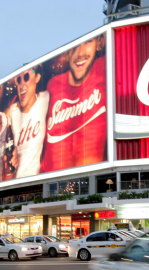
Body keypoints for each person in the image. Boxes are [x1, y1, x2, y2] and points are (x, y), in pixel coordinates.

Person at [41, 35, 107, 173]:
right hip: (52, 177)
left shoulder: (104, 67)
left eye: (88, 42)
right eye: (75, 47)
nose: (80, 53)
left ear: (99, 44)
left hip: (93, 173)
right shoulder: (54, 85)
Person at [9, 65, 49, 178]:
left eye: (26, 77)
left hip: (41, 178)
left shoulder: (46, 98)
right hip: (18, 179)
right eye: (18, 80)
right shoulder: (13, 112)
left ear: (37, 78)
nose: (22, 85)